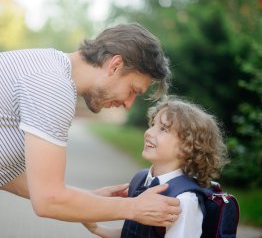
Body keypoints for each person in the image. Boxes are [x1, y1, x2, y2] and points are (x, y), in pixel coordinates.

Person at [0, 23, 181, 237]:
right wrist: (134, 208)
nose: (127, 103)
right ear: (115, 65)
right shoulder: (53, 87)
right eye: (132, 90)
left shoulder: (48, 67)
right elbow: (48, 200)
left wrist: (86, 200)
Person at [83, 96, 229, 238]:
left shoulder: (184, 200)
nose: (149, 133)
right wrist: (96, 228)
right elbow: (133, 232)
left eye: (163, 129)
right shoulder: (140, 179)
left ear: (187, 146)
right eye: (153, 125)